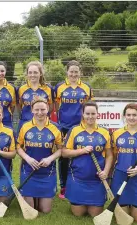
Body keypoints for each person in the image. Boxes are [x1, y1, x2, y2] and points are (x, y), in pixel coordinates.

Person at [62, 101, 112, 217]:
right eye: (87, 113)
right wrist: (82, 150)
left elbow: (109, 155)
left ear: (97, 114)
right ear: (83, 114)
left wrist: (106, 172)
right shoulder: (74, 130)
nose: (90, 116)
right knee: (78, 214)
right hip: (77, 178)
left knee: (95, 214)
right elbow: (64, 153)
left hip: (97, 179)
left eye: (93, 114)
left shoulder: (104, 132)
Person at [16, 96, 63, 213]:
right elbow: (18, 147)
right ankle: (30, 195)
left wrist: (50, 158)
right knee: (30, 209)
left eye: (42, 109)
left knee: (45, 210)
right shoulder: (25, 126)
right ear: (32, 110)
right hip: (28, 171)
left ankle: (37, 196)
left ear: (48, 109)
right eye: (36, 110)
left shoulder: (56, 127)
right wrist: (27, 158)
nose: (40, 113)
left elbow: (61, 149)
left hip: (47, 173)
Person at [55, 60, 94, 199]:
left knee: (81, 155)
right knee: (63, 157)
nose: (73, 74)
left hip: (80, 127)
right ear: (67, 72)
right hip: (64, 127)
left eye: (76, 71)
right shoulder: (59, 87)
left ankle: (79, 182)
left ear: (80, 73)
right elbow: (55, 105)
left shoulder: (86, 87)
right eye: (71, 71)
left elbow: (89, 106)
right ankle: (64, 186)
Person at [16, 61, 53, 133]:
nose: (32, 75)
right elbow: (19, 105)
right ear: (27, 74)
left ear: (41, 73)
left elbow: (50, 107)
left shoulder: (48, 88)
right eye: (30, 72)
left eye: (35, 72)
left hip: (43, 124)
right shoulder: (21, 89)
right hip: (25, 123)